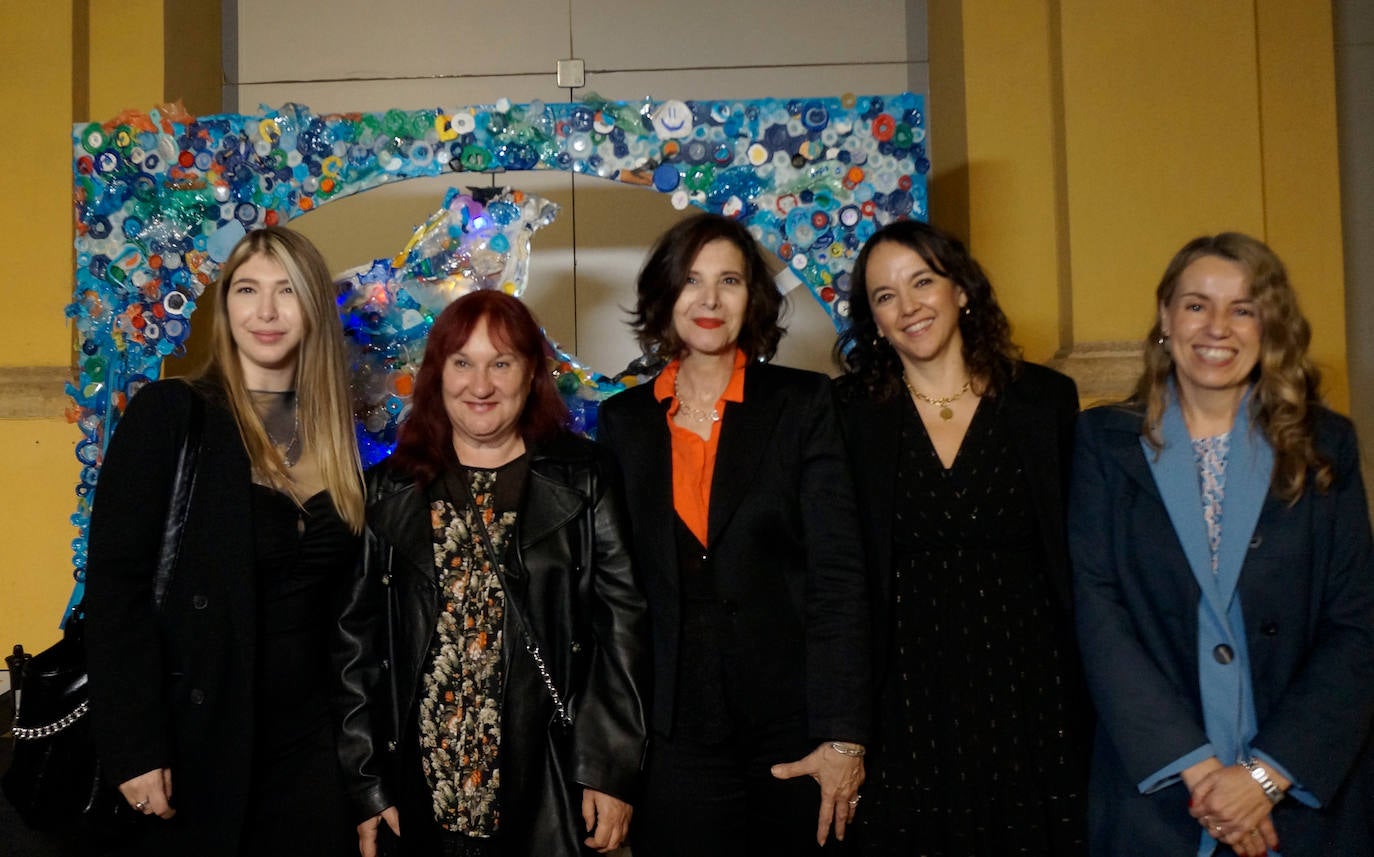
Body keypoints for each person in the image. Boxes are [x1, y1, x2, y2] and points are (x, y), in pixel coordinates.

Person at [1070, 232, 1374, 855]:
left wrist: (1265, 777)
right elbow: (1097, 612)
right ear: (1165, 317)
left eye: (1243, 308)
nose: (1218, 327)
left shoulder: (1327, 444)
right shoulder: (1103, 441)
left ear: (1272, 325)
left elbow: (1357, 626)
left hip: (1305, 800)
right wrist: (1205, 776)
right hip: (1158, 797)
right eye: (1196, 304)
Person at [335, 289, 649, 857]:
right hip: (419, 798)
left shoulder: (585, 477)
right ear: (437, 374)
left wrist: (609, 768)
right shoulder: (390, 490)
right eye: (463, 363)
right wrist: (366, 783)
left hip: (549, 787)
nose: (481, 386)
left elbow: (622, 629)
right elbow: (355, 646)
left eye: (501, 363)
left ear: (532, 373)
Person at [84, 226, 366, 856]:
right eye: (246, 289)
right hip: (195, 741)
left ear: (315, 307)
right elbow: (114, 587)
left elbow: (349, 617)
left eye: (286, 291)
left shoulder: (339, 437)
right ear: (224, 306)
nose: (265, 312)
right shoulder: (172, 413)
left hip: (310, 749)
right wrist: (135, 746)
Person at [597, 212, 870, 856]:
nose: (710, 300)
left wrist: (843, 736)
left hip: (795, 728)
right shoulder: (624, 423)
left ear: (754, 299)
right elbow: (613, 599)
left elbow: (839, 577)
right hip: (673, 736)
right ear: (665, 298)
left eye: (730, 281)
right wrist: (609, 757)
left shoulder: (803, 403)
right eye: (691, 281)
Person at [833, 219, 1091, 854]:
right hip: (903, 705)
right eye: (885, 296)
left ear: (962, 290)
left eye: (923, 282)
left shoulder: (1044, 401)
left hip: (1035, 696)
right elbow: (834, 575)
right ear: (872, 319)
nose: (908, 306)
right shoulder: (846, 414)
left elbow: (1080, 557)